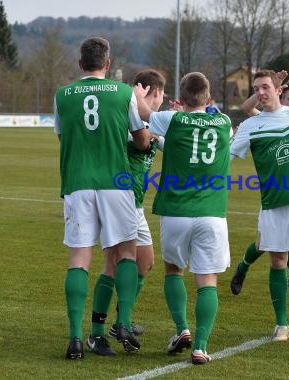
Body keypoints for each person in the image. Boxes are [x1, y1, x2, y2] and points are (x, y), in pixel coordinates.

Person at [54, 36, 150, 359]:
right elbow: (142, 142)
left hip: (78, 182)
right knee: (125, 254)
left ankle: (76, 339)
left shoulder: (62, 95)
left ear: (80, 64)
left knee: (79, 258)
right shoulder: (124, 93)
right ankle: (122, 322)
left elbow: (62, 136)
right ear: (107, 64)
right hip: (116, 182)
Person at [134, 72, 232, 365]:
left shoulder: (171, 120)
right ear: (209, 97)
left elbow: (144, 115)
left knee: (174, 271)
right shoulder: (224, 122)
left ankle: (182, 329)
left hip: (176, 212)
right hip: (212, 214)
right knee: (207, 282)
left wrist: (140, 94)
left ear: (182, 96)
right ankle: (200, 347)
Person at [230, 69, 289, 342]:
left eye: (265, 87)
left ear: (278, 89)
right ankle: (281, 323)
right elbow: (228, 154)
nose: (261, 92)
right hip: (274, 202)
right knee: (278, 261)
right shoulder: (251, 125)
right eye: (257, 88)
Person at [85, 69, 166, 356]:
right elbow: (135, 140)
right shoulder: (126, 116)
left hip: (135, 205)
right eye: (161, 94)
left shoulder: (150, 120)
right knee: (113, 263)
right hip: (118, 200)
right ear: (153, 92)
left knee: (144, 262)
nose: (162, 99)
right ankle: (97, 333)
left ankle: (123, 320)